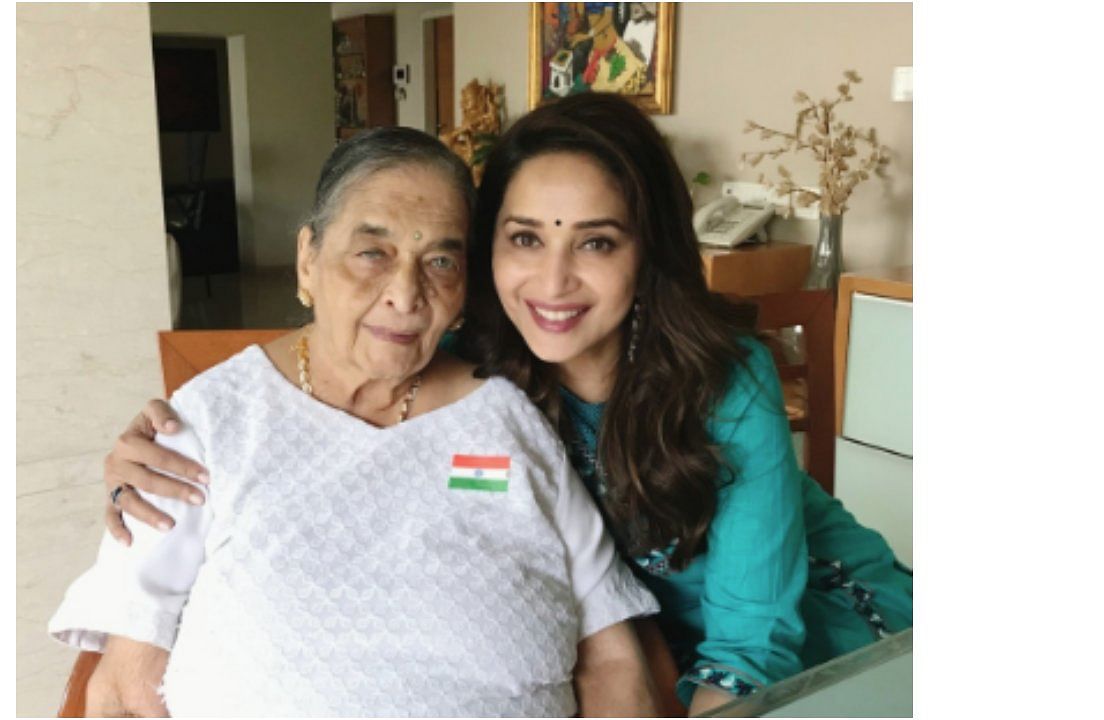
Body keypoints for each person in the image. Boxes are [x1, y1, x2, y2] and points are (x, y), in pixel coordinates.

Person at [103, 94, 912, 715]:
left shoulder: (724, 382)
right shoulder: (479, 367)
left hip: (812, 639)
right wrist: (178, 426)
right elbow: (352, 336)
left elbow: (753, 641)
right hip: (646, 641)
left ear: (648, 250)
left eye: (596, 242)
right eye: (525, 238)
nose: (553, 283)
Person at [50, 126, 661, 717]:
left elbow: (612, 655)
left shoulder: (506, 418)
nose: (405, 293)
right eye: (373, 252)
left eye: (440, 260)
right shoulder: (211, 420)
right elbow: (127, 680)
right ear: (308, 259)